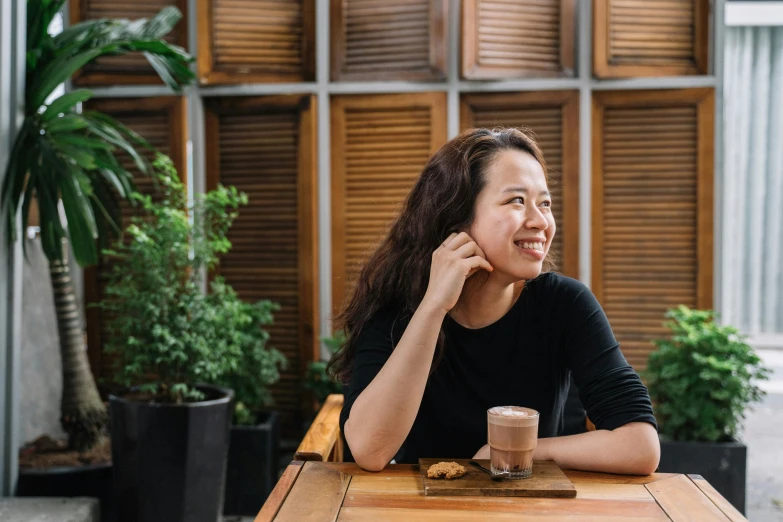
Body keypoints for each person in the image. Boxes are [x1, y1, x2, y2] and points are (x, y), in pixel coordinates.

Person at [328, 128, 660, 475]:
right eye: (517, 201)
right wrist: (432, 307)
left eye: (544, 203)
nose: (540, 222)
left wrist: (515, 450)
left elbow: (640, 445)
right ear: (454, 218)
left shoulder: (565, 304)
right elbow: (369, 450)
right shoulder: (397, 307)